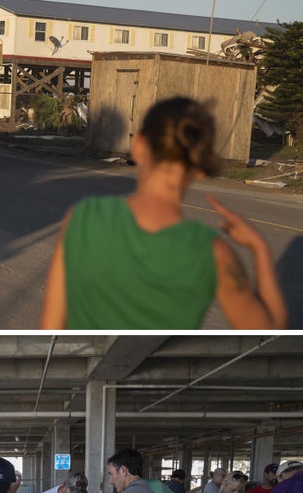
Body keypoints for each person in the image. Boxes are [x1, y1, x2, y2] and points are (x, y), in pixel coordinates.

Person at [39, 97, 286, 330]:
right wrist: (259, 247)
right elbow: (271, 334)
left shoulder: (82, 218)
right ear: (201, 167)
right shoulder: (214, 254)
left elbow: (49, 330)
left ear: (138, 146)